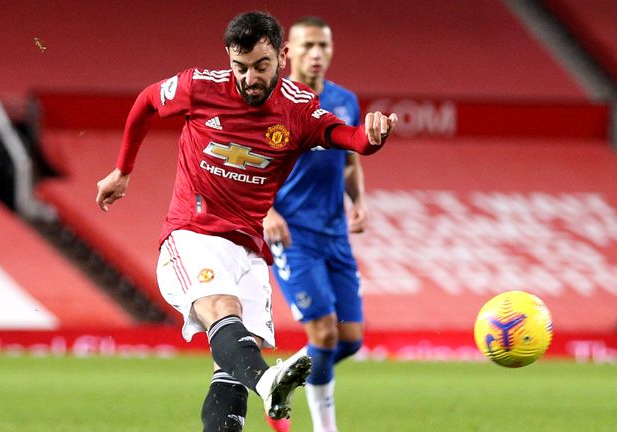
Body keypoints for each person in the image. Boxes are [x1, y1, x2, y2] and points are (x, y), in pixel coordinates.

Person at [95, 11, 397, 432]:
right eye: (240, 67)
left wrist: (372, 137)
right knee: (225, 310)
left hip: (249, 251)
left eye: (261, 66)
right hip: (192, 234)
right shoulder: (199, 87)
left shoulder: (298, 110)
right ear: (228, 59)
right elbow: (147, 100)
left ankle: (259, 380)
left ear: (282, 56)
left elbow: (350, 140)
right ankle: (269, 379)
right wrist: (122, 170)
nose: (249, 78)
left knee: (231, 375)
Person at [263, 17, 366, 432]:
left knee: (350, 339)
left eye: (324, 45)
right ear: (288, 52)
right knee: (324, 334)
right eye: (308, 46)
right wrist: (267, 212)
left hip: (335, 234)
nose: (317, 54)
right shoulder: (271, 104)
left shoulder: (345, 101)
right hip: (293, 236)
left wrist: (358, 202)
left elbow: (351, 161)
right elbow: (254, 164)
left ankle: (282, 378)